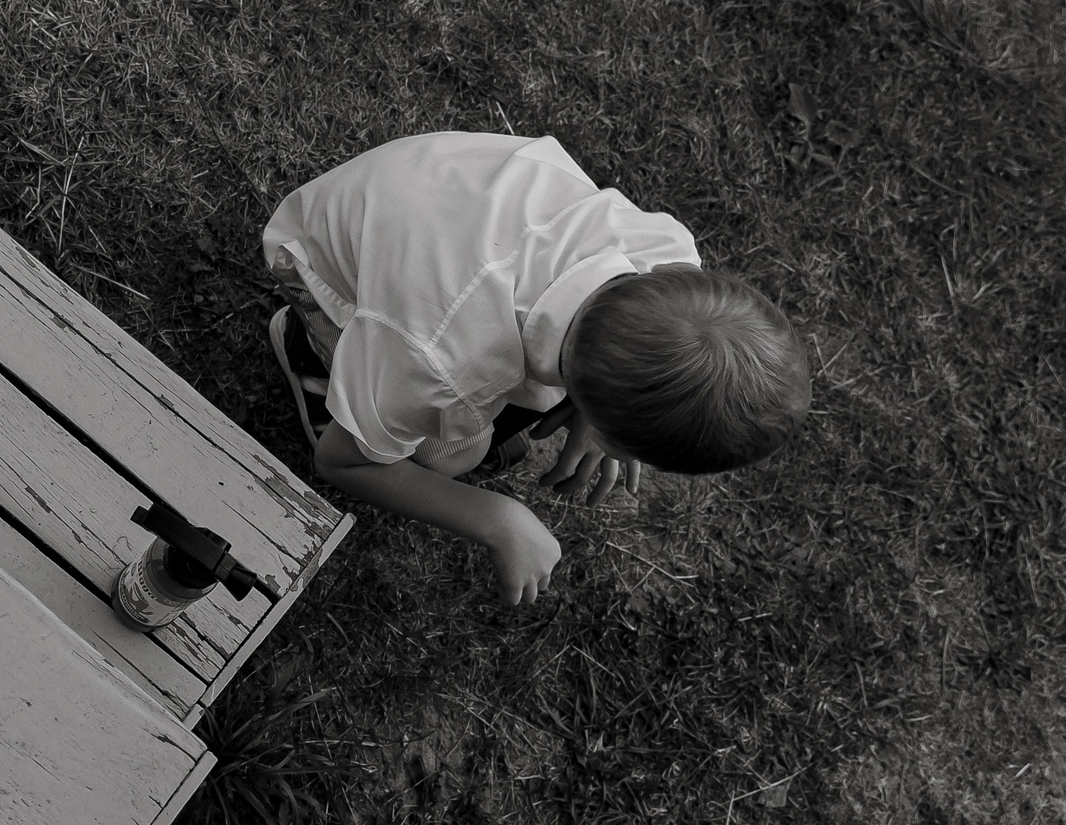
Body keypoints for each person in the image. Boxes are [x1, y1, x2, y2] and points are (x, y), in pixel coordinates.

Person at [263, 132, 807, 605]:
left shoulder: (665, 254)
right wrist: (499, 521)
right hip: (325, 260)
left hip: (449, 188)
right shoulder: (442, 361)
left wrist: (602, 410)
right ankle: (308, 355)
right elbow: (343, 465)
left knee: (487, 420)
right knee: (450, 457)